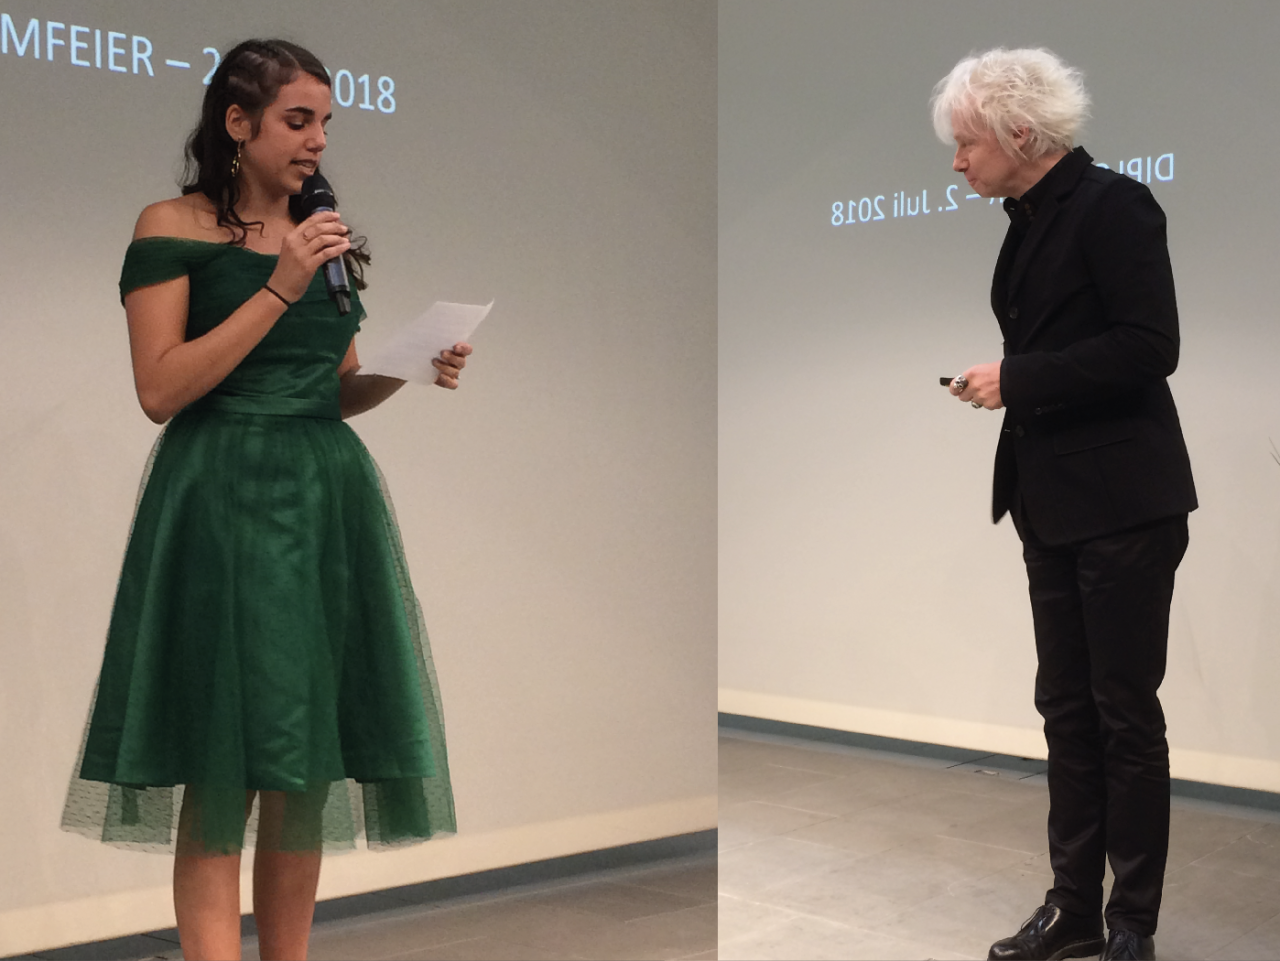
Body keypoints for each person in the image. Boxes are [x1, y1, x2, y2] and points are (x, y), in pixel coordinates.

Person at [60, 39, 465, 961]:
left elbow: (333, 387)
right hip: (222, 502)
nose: (317, 140)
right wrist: (279, 287)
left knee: (300, 765)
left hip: (323, 507)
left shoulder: (322, 233)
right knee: (224, 765)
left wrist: (408, 365)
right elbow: (160, 388)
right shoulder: (172, 224)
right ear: (237, 123)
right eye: (298, 119)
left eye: (326, 122)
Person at [931, 48, 1196, 961]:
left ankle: (1132, 922)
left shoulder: (1114, 203)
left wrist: (1019, 378)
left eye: (966, 143)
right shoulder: (1029, 220)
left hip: (1124, 503)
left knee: (1124, 713)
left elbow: (1150, 345)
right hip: (1050, 502)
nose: (957, 162)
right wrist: (1014, 382)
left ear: (1018, 132)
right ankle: (1073, 907)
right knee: (1066, 711)